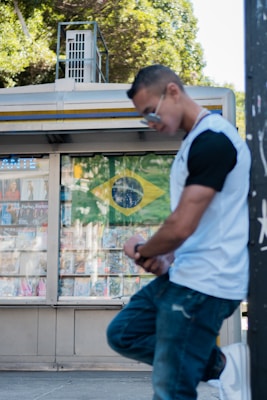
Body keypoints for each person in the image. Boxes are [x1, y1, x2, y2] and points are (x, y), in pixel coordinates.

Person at [106, 65, 251, 400]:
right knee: (124, 333)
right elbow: (197, 225)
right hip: (184, 276)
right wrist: (165, 256)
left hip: (205, 283)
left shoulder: (214, 140)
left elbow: (182, 225)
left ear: (173, 91)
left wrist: (145, 250)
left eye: (150, 113)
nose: (151, 124)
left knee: (171, 390)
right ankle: (223, 365)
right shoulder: (193, 143)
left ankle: (219, 367)